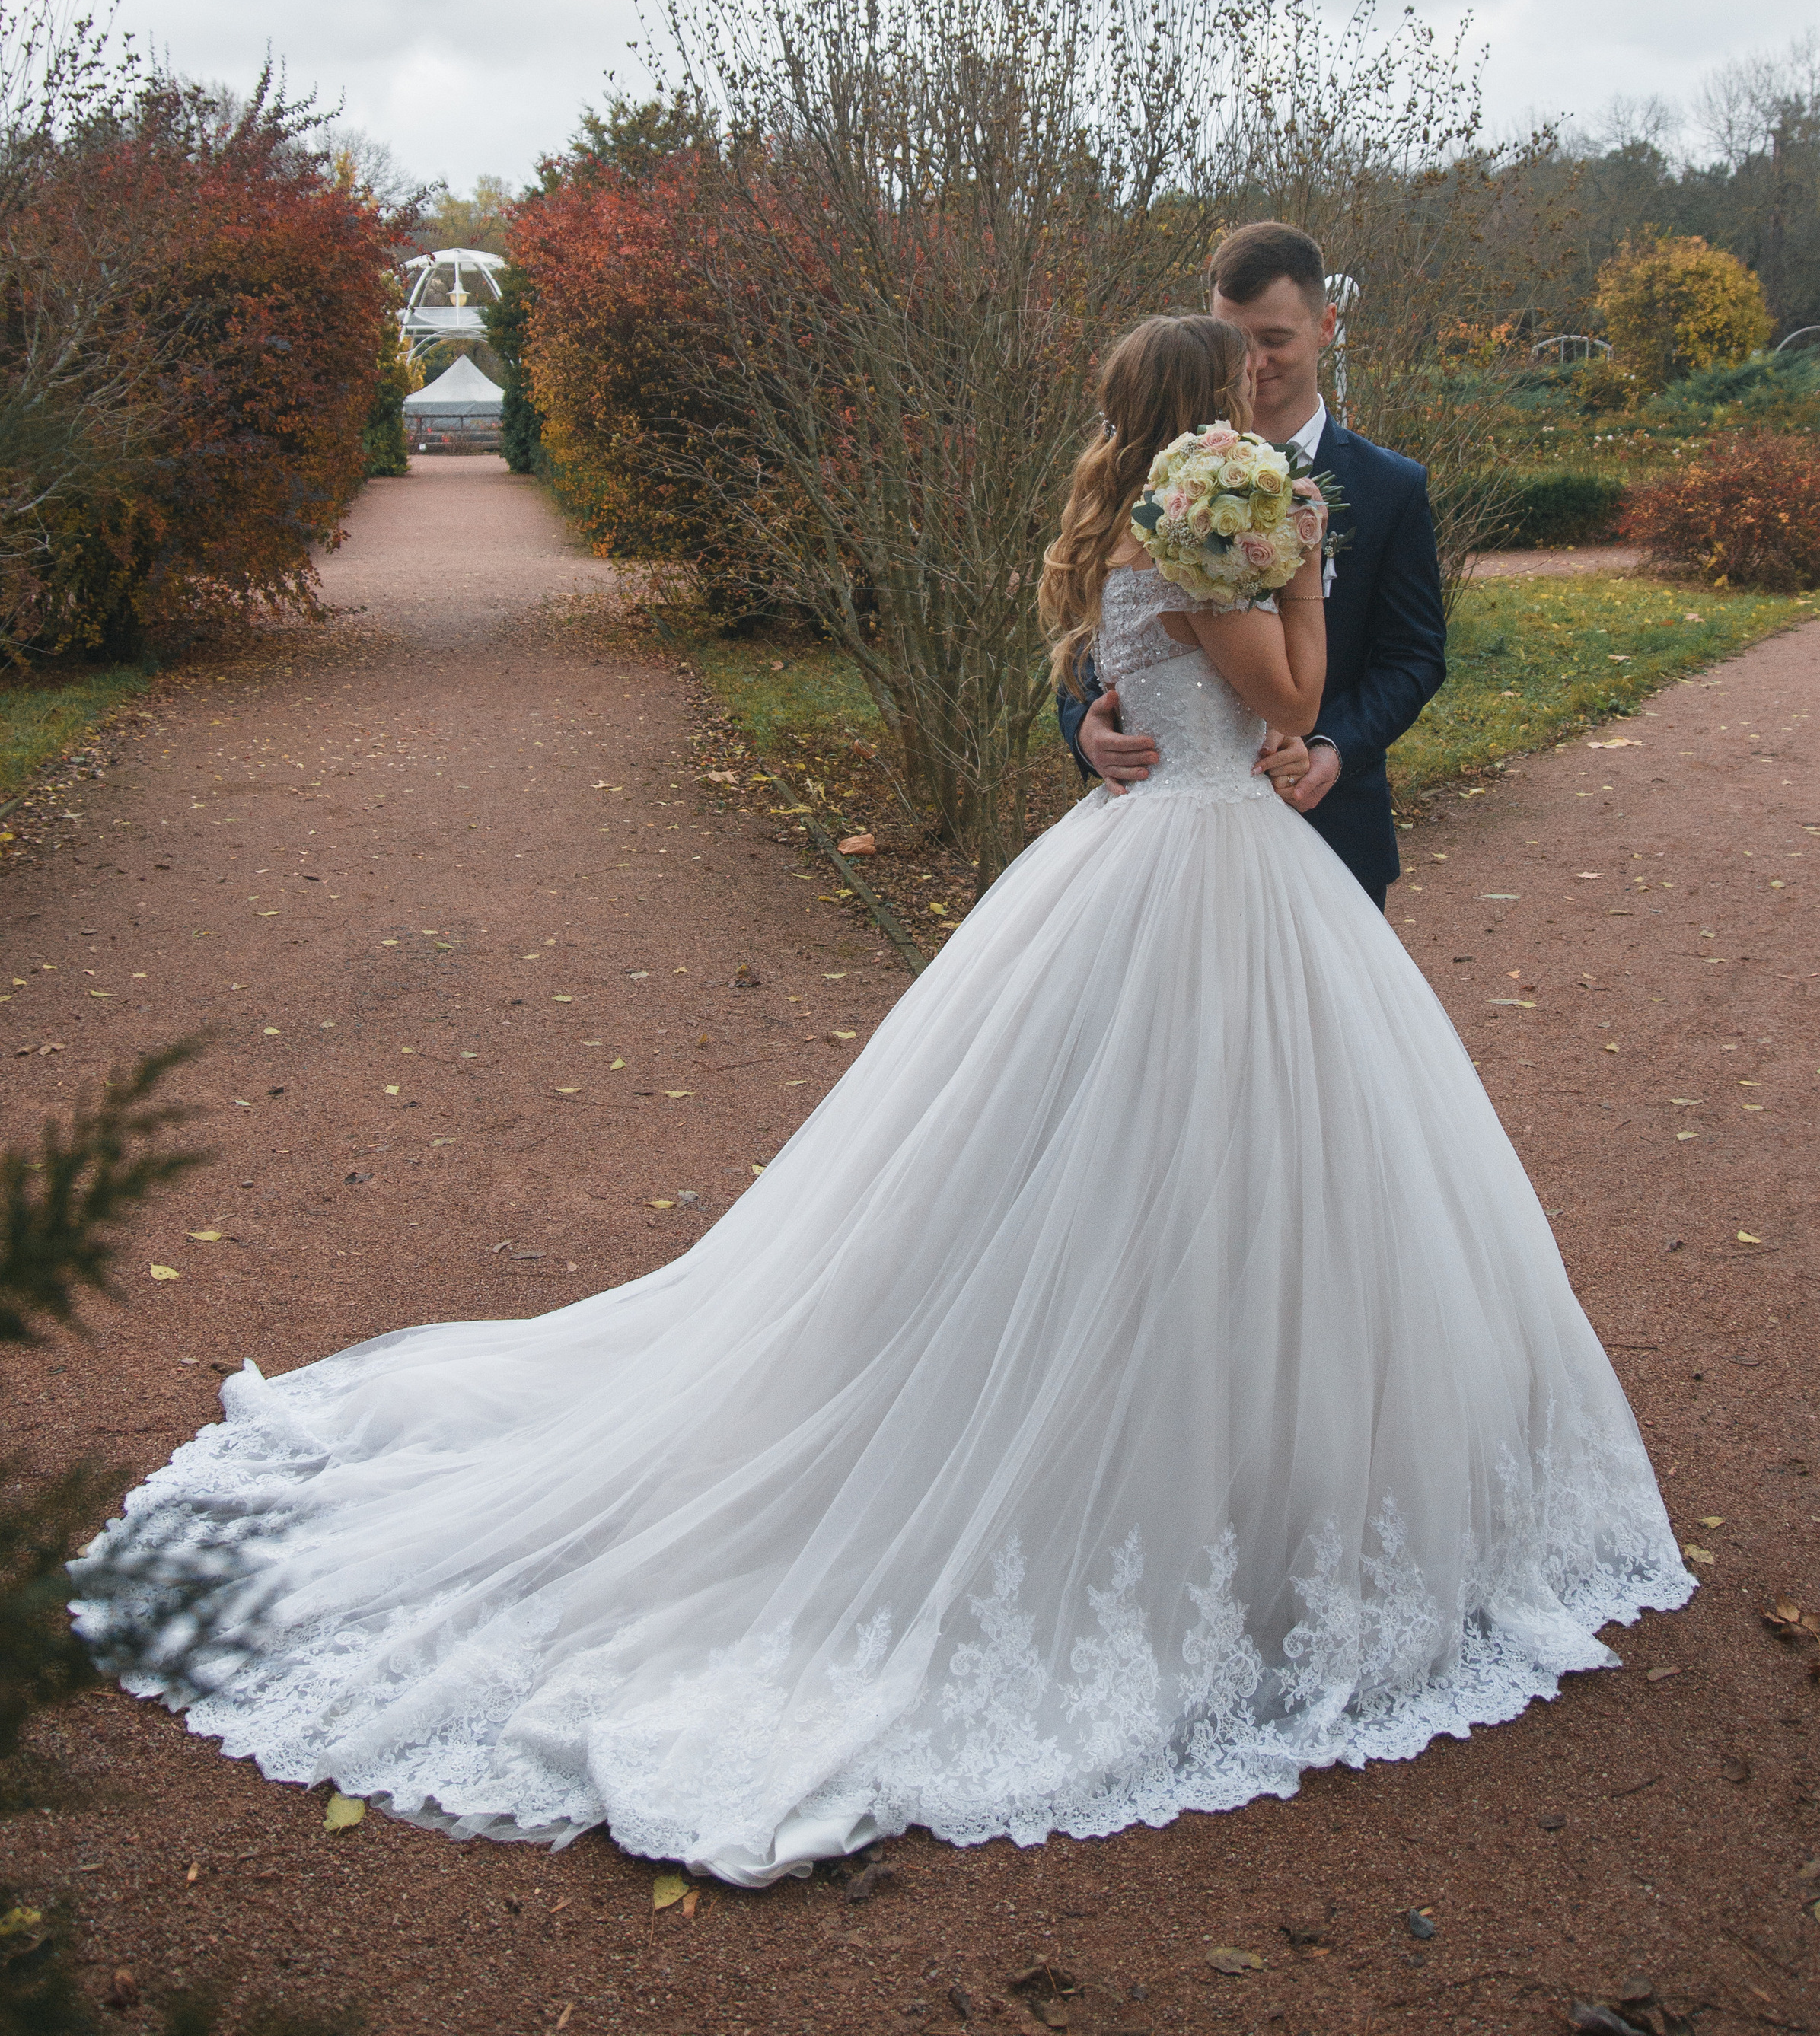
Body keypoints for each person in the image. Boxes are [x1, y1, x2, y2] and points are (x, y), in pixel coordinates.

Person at [78, 315, 1690, 1891]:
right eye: (1235, 397)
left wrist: (1232, 611)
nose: (1259, 411)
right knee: (1185, 1175)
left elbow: (1138, 694)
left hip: (1152, 871)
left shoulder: (1134, 543)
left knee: (1156, 1176)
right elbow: (1286, 705)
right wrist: (1302, 570)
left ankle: (1259, 1480)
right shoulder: (1212, 548)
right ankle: (1197, 1495)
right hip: (1209, 872)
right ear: (1201, 427)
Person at [1058, 221, 1445, 907]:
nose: (1256, 364)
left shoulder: (1391, 487)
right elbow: (1091, 643)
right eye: (1238, 343)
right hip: (1174, 835)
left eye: (1274, 340)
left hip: (1332, 826)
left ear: (1326, 325)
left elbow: (1414, 656)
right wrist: (1088, 726)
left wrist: (1330, 745)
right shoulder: (1141, 494)